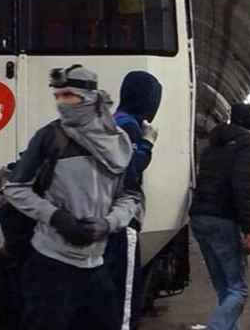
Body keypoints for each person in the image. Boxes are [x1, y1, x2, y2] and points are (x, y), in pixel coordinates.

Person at [2, 65, 140, 330]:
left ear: (89, 98)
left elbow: (130, 195)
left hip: (97, 262)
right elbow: (15, 188)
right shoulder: (50, 137)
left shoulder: (118, 143)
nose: (62, 104)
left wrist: (109, 223)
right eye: (58, 97)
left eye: (69, 96)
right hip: (51, 263)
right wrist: (56, 217)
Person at [190, 104, 250, 330]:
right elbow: (242, 186)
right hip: (222, 219)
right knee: (238, 290)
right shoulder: (248, 143)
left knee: (225, 288)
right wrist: (249, 229)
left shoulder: (212, 145)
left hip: (199, 217)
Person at [105, 71, 162, 330]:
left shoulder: (115, 120)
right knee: (126, 295)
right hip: (124, 219)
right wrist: (148, 143)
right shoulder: (127, 125)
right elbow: (130, 169)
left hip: (108, 215)